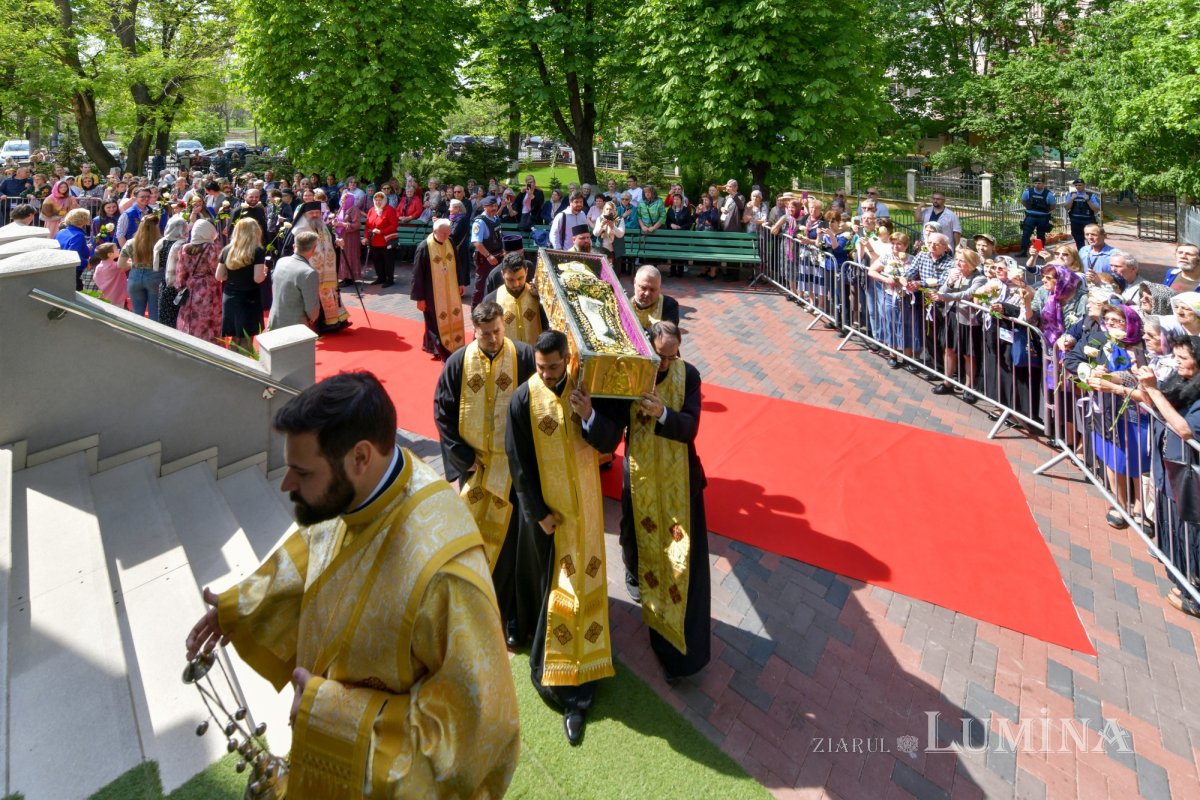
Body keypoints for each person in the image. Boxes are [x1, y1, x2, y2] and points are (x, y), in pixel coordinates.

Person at [185, 372, 521, 796]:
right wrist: (245, 603)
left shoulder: (446, 574)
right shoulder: (365, 487)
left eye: (302, 472)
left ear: (360, 457)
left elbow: (478, 730)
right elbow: (316, 551)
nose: (287, 485)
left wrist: (329, 712)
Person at [505, 331, 625, 745]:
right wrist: (537, 513)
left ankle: (586, 666)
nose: (546, 374)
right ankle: (560, 678)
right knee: (554, 589)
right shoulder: (524, 398)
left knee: (583, 584)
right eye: (540, 367)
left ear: (566, 358)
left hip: (587, 515)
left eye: (554, 367)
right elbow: (518, 462)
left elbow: (611, 439)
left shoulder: (586, 387)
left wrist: (589, 415)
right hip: (550, 520)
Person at [434, 301, 538, 646]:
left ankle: (512, 616)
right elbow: (443, 411)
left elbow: (538, 405)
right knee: (474, 538)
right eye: (486, 334)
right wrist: (462, 457)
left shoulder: (523, 356)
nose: (493, 339)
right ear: (474, 332)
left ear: (503, 326)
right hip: (476, 469)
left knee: (512, 545)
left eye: (497, 331)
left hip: (512, 472)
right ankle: (474, 603)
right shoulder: (457, 363)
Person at [618, 321, 710, 682]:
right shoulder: (633, 373)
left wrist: (663, 414)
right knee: (643, 550)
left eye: (673, 356)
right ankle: (649, 611)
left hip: (680, 487)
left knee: (682, 564)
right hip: (642, 481)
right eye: (661, 356)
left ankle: (683, 654)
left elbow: (690, 428)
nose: (667, 364)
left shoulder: (690, 375)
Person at [1134, 336, 1200, 617]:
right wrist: (1144, 382)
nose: (1177, 362)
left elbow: (1185, 429)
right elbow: (1156, 403)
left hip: (1189, 478)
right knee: (1172, 527)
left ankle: (1193, 593)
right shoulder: (1182, 381)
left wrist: (1153, 390)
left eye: (1183, 358)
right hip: (1170, 470)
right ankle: (1182, 580)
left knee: (1190, 534)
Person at [288, 201, 350, 333]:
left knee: (329, 293)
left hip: (326, 270)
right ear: (305, 214)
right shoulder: (299, 229)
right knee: (313, 296)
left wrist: (336, 241)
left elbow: (327, 241)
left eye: (317, 212)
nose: (315, 215)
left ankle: (334, 322)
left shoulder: (321, 225)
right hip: (309, 269)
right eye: (311, 213)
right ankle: (317, 325)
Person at [411, 218, 468, 360]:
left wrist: (461, 283)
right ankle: (441, 351)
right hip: (432, 292)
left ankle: (431, 345)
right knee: (434, 321)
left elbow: (457, 263)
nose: (447, 236)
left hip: (451, 289)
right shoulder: (424, 247)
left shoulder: (450, 242)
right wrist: (420, 298)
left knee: (450, 317)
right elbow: (417, 274)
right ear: (435, 231)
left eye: (448, 232)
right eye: (444, 233)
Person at [216, 218, 267, 351]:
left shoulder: (227, 250)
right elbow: (258, 278)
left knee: (234, 339)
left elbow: (219, 276)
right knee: (247, 339)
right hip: (249, 298)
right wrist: (265, 273)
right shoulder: (257, 251)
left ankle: (230, 363)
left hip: (230, 296)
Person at [174, 218, 223, 343]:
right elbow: (215, 270)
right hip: (208, 288)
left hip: (190, 287)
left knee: (189, 319)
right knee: (208, 320)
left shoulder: (184, 248)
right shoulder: (212, 248)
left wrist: (182, 286)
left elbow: (180, 272)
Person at [483, 251, 547, 346]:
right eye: (510, 280)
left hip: (535, 352)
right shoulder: (491, 300)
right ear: (502, 274)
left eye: (520, 278)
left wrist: (542, 299)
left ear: (526, 272)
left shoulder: (539, 296)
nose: (516, 284)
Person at [267, 230, 321, 330]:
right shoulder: (309, 273)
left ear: (294, 246)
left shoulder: (281, 261)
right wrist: (312, 319)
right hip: (295, 326)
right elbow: (312, 309)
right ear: (313, 249)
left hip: (275, 319)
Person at [118, 212, 163, 319]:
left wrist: (134, 264)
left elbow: (121, 264)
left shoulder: (130, 243)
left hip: (135, 277)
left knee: (137, 315)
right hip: (155, 277)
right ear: (156, 226)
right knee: (154, 314)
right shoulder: (162, 243)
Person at [155, 215, 188, 327]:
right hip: (177, 284)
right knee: (175, 317)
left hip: (164, 282)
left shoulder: (162, 242)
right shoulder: (182, 245)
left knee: (164, 316)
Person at [471, 196, 505, 306]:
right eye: (491, 206)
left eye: (495, 206)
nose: (494, 208)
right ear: (485, 207)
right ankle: (476, 309)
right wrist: (488, 256)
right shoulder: (480, 222)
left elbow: (499, 236)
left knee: (497, 282)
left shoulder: (496, 219)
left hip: (498, 256)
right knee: (481, 285)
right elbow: (477, 242)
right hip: (485, 259)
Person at [363, 191, 399, 287]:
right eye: (376, 200)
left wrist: (381, 231)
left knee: (388, 261)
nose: (378, 202)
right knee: (377, 260)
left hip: (386, 241)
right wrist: (365, 237)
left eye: (380, 200)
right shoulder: (371, 210)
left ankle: (389, 280)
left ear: (384, 200)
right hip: (374, 241)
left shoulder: (390, 210)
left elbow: (394, 225)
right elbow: (367, 226)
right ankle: (380, 278)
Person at [630, 265, 680, 332]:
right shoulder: (624, 305)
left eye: (652, 290)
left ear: (659, 288)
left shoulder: (669, 305)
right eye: (643, 288)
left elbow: (667, 334)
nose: (647, 293)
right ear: (634, 283)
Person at [1019, 176, 1056, 257]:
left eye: (1039, 183)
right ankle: (1023, 251)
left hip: (1042, 217)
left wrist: (1045, 211)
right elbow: (1023, 201)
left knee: (1041, 235)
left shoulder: (1048, 194)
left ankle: (1040, 253)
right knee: (1026, 234)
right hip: (1030, 216)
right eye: (1035, 183)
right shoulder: (1028, 192)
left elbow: (1053, 206)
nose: (1037, 185)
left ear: (1043, 184)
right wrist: (1029, 208)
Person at [56, 207, 91, 290]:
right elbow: (74, 255)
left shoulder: (61, 232)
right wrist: (87, 263)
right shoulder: (79, 235)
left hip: (60, 267)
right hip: (74, 271)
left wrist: (85, 247)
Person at [333, 192, 362, 284]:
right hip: (342, 236)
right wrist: (334, 222)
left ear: (350, 200)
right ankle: (344, 277)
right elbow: (338, 220)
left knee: (349, 256)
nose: (342, 202)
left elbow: (357, 224)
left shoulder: (354, 209)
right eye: (341, 200)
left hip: (350, 237)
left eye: (344, 200)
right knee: (342, 257)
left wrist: (342, 224)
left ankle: (350, 278)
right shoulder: (341, 208)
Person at [1065, 179, 1101, 249]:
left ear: (1084, 185)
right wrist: (1072, 199)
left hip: (1088, 220)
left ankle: (1092, 252)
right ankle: (1081, 253)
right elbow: (1066, 207)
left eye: (1080, 185)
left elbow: (1096, 209)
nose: (1078, 187)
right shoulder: (1071, 194)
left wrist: (1088, 200)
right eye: (1076, 185)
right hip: (1075, 221)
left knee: (1091, 239)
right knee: (1078, 240)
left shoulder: (1091, 195)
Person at [90, 243, 127, 308]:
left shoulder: (99, 267)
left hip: (105, 295)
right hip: (118, 296)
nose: (118, 249)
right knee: (118, 311)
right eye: (116, 249)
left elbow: (95, 278)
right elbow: (130, 265)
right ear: (110, 254)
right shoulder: (116, 266)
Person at [593, 200, 625, 267]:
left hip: (615, 250)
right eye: (607, 209)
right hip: (602, 249)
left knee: (615, 270)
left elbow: (620, 235)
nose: (608, 211)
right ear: (604, 210)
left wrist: (613, 226)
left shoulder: (619, 219)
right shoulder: (600, 219)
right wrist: (602, 226)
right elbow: (596, 234)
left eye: (610, 209)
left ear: (614, 210)